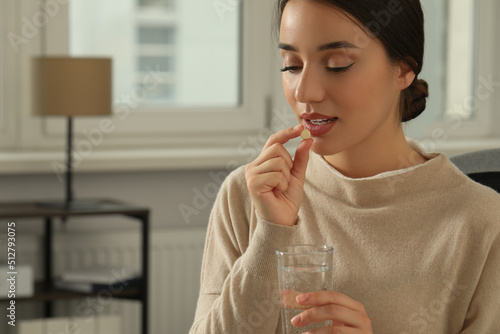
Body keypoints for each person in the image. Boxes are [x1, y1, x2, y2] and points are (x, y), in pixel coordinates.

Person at [190, 0, 500, 333]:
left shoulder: (482, 222)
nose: (305, 92)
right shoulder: (247, 196)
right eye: (291, 65)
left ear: (404, 70)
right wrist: (270, 234)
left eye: (337, 65)